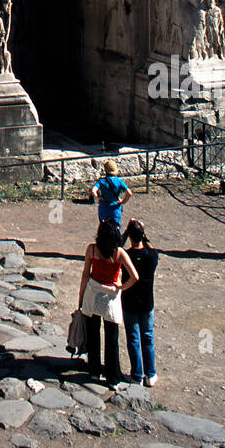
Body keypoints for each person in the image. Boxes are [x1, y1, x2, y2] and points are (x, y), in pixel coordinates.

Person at [76, 219, 139, 387]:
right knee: (112, 338)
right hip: (110, 296)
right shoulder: (119, 253)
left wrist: (80, 297)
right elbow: (135, 276)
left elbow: (85, 275)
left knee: (93, 333)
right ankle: (113, 377)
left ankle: (94, 370)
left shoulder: (92, 249)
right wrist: (122, 286)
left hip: (93, 292)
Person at [121, 219, 159, 387]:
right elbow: (150, 246)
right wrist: (141, 231)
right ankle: (151, 374)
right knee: (148, 337)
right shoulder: (152, 256)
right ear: (143, 236)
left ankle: (137, 374)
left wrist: (127, 231)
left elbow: (117, 247)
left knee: (133, 338)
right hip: (146, 302)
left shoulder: (125, 256)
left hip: (129, 302)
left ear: (130, 237)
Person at [91, 158, 131, 230]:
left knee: (103, 228)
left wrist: (99, 197)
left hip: (104, 207)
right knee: (116, 228)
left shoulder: (101, 181)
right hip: (115, 207)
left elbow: (93, 191)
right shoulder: (119, 181)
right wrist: (123, 201)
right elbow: (129, 193)